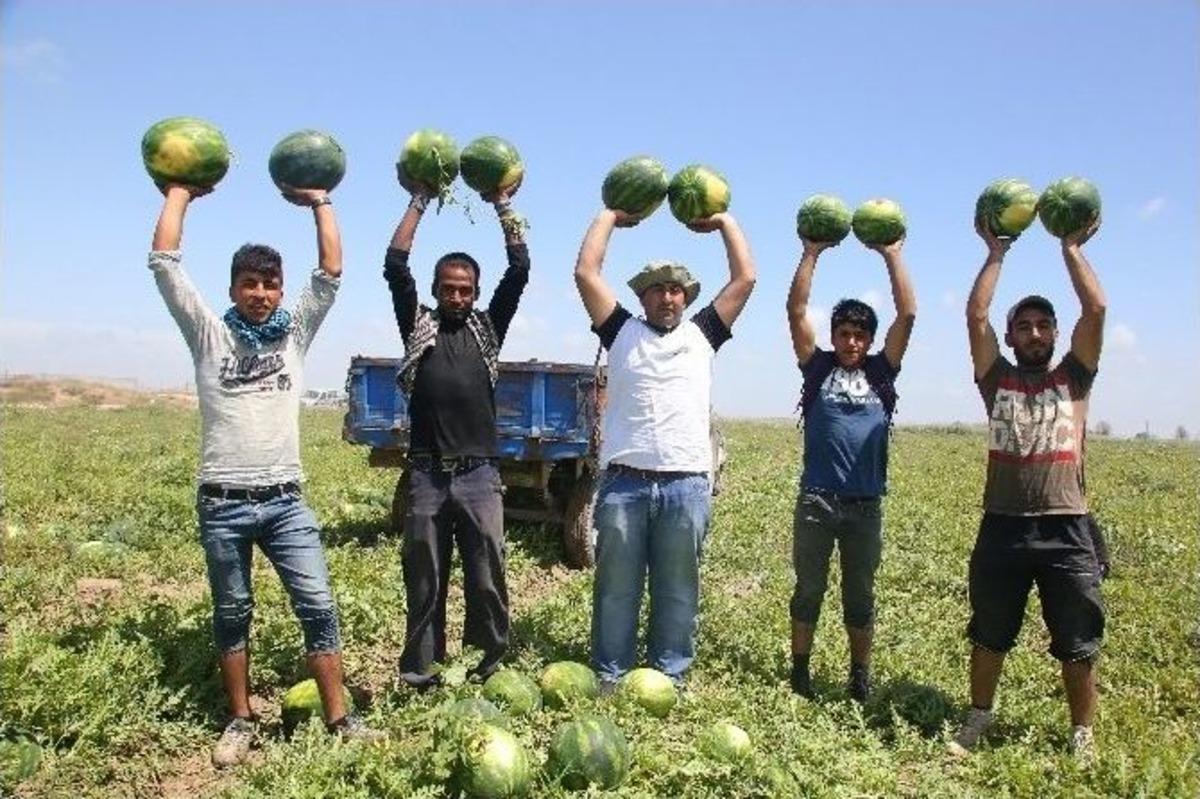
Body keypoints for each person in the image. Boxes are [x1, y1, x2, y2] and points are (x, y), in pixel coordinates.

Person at [148, 182, 380, 768]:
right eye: (250, 283)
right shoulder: (209, 333)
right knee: (232, 612)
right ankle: (240, 719)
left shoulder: (293, 334)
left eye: (270, 284)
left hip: (285, 503)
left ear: (280, 289)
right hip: (222, 502)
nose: (260, 293)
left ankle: (340, 719)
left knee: (318, 604)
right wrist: (180, 193)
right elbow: (165, 265)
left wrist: (321, 202)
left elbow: (330, 273)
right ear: (233, 288)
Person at [573, 207, 756, 688]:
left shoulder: (703, 334)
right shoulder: (620, 331)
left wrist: (724, 223)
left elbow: (745, 278)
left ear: (686, 298)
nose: (667, 296)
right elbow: (586, 272)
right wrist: (610, 216)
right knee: (616, 589)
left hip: (686, 484)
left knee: (678, 590)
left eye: (676, 289)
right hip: (625, 485)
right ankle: (610, 676)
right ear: (642, 296)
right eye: (657, 288)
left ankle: (668, 678)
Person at [950, 213, 1106, 760]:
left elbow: (1096, 310)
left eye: (1043, 325)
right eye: (1024, 327)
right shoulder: (997, 380)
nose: (1034, 334)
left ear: (1056, 334)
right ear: (1012, 336)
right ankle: (978, 717)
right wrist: (996, 254)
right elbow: (975, 316)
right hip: (1004, 526)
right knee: (989, 630)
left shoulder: (1075, 377)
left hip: (1068, 527)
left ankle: (1081, 734)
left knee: (1078, 637)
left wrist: (1071, 249)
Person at [384, 179, 528, 689]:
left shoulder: (487, 330)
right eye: (448, 288)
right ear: (435, 290)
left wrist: (502, 203)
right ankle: (422, 675)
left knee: (487, 579)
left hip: (479, 476)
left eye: (465, 290)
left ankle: (484, 671)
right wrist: (419, 200)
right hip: (426, 476)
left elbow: (520, 269)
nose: (456, 296)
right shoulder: (417, 326)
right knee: (425, 580)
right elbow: (395, 265)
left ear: (476, 294)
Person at [784, 234, 916, 701]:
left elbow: (907, 315)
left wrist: (892, 254)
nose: (852, 342)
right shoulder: (817, 367)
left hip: (864, 507)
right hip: (816, 502)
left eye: (860, 336)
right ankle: (800, 673)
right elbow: (796, 311)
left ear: (870, 340)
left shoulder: (882, 373)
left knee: (859, 597)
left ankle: (860, 675)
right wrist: (811, 253)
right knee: (808, 590)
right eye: (844, 334)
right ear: (834, 335)